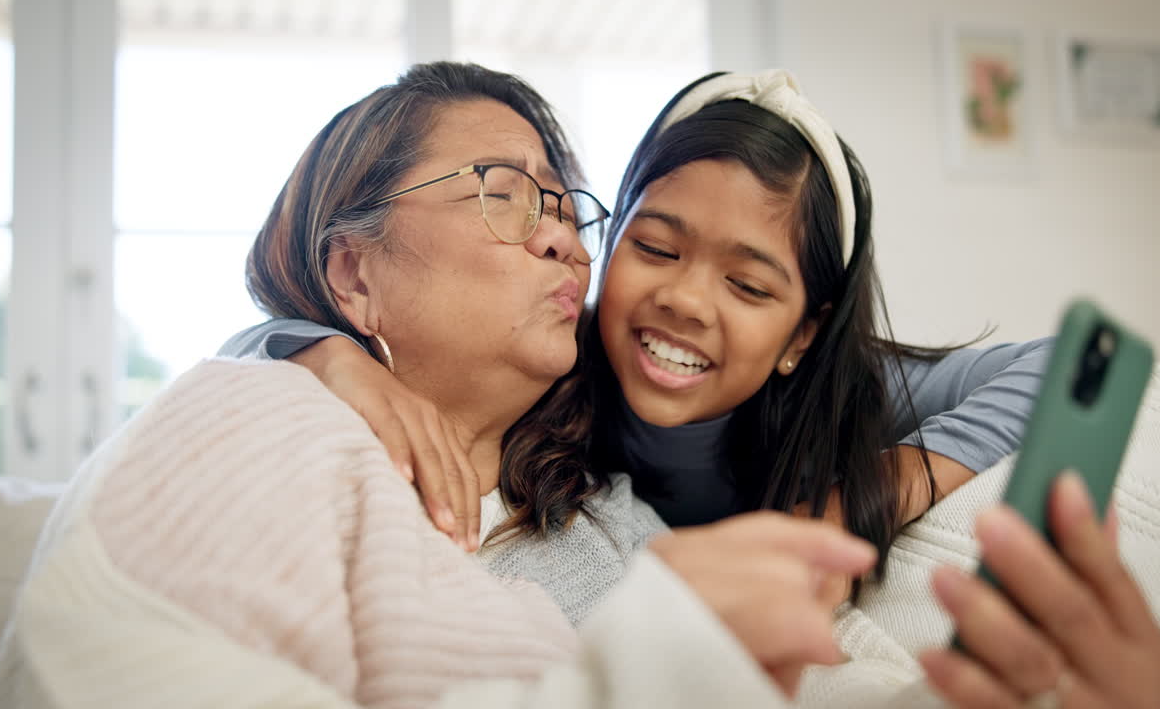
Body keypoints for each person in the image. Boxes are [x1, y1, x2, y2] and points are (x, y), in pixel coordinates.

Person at [0, 62, 879, 709]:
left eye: (565, 208)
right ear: (354, 274)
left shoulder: (620, 531)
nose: (564, 241)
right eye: (506, 193)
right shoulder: (262, 406)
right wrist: (317, 353)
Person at [227, 69, 1052, 596]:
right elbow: (239, 364)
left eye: (747, 285)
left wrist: (860, 501)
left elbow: (1066, 369)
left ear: (804, 334)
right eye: (653, 248)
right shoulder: (556, 351)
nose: (686, 301)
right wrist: (324, 354)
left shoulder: (837, 397)